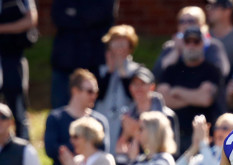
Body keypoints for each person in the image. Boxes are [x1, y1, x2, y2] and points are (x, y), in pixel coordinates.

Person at [44, 68, 109, 165]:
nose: (94, 95)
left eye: (96, 91)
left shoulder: (99, 120)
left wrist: (68, 155)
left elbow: (102, 150)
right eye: (90, 91)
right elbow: (51, 149)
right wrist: (83, 149)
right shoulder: (56, 118)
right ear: (75, 91)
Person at [157, 25, 222, 154]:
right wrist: (194, 96)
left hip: (202, 136)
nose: (191, 45)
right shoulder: (171, 70)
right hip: (173, 134)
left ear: (202, 44)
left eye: (196, 41)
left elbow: (205, 99)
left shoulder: (211, 70)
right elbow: (162, 99)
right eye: (188, 41)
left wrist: (177, 92)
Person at [50, 0, 116, 108]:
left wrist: (74, 13)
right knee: (60, 109)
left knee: (90, 111)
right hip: (64, 61)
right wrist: (84, 18)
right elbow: (57, 17)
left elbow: (97, 15)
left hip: (92, 62)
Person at [93, 24, 140, 154]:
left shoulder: (137, 71)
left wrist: (123, 73)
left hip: (125, 124)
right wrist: (110, 71)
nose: (119, 47)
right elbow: (98, 95)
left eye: (123, 43)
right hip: (104, 120)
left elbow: (134, 96)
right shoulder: (101, 71)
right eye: (116, 43)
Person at [153, 6, 229, 82]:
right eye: (182, 21)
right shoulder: (170, 46)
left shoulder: (212, 45)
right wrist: (176, 51)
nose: (186, 25)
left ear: (201, 24)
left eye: (191, 21)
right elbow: (157, 75)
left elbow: (221, 73)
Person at [0, 0, 37, 141]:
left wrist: (2, 28)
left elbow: (31, 20)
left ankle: (23, 150)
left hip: (13, 58)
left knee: (18, 108)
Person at [120, 67, 180, 149]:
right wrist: (126, 134)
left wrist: (136, 131)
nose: (138, 88)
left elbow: (172, 149)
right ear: (130, 88)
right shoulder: (127, 116)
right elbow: (119, 150)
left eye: (142, 84)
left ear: (152, 87)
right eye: (135, 84)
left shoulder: (167, 116)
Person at [206, 0, 233, 68]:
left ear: (227, 11)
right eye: (209, 6)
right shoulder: (205, 36)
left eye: (214, 7)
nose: (209, 10)